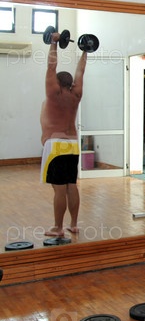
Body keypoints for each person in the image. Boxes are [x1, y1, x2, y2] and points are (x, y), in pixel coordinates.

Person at [40, 31, 87, 238]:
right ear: (71, 84)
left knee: (59, 189)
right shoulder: (76, 94)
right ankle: (73, 224)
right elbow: (81, 72)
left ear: (57, 83)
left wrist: (53, 42)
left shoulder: (53, 93)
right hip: (73, 144)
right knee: (71, 186)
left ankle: (58, 228)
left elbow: (51, 66)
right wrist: (85, 51)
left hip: (56, 145)